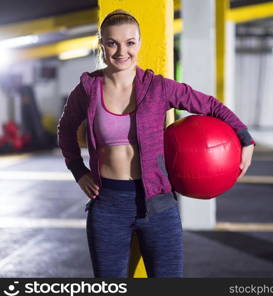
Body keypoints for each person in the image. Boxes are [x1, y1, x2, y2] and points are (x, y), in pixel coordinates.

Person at [57, 9, 255, 278]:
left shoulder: (158, 87)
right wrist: (79, 172)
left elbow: (210, 105)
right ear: (101, 44)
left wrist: (245, 139)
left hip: (158, 203)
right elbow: (65, 130)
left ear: (138, 43)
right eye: (112, 42)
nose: (121, 51)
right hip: (108, 205)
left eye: (129, 42)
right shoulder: (88, 89)